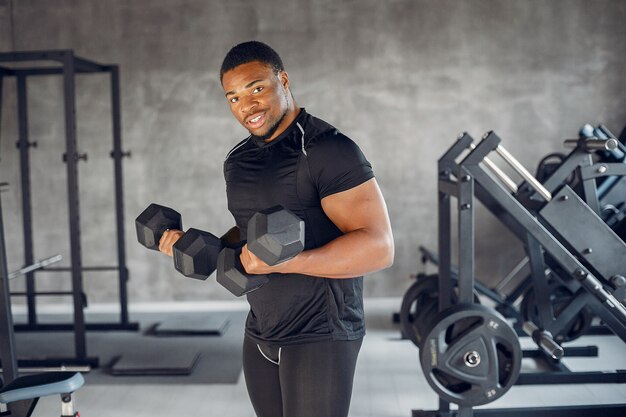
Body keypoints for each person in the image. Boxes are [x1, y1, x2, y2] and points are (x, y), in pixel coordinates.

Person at [159, 40, 394, 417]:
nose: (246, 106)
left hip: (322, 333)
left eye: (256, 88)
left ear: (282, 79)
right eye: (233, 97)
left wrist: (286, 264)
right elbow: (251, 235)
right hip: (261, 329)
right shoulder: (237, 160)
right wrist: (197, 248)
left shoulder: (327, 150)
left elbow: (379, 247)